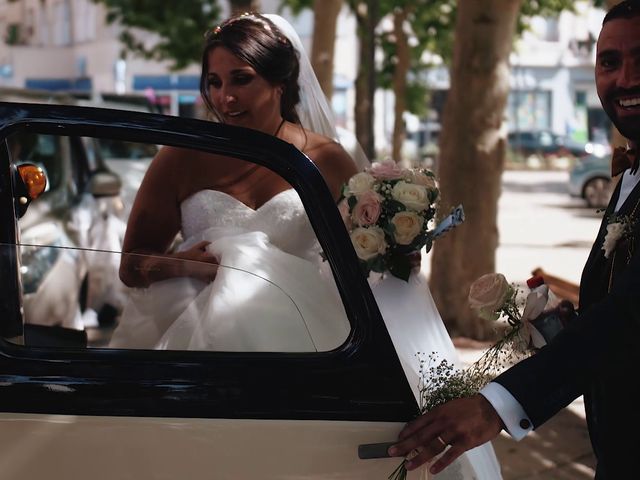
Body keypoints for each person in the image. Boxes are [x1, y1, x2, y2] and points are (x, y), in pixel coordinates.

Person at [111, 12, 502, 478]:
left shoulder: (324, 158)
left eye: (241, 79)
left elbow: (360, 254)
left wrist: (391, 251)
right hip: (196, 340)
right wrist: (179, 265)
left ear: (281, 82)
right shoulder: (180, 157)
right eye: (213, 82)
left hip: (312, 340)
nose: (225, 97)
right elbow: (131, 264)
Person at [388, 2, 640, 478]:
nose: (626, 78)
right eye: (609, 62)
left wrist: (495, 406)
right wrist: (569, 324)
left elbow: (629, 317)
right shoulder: (632, 171)